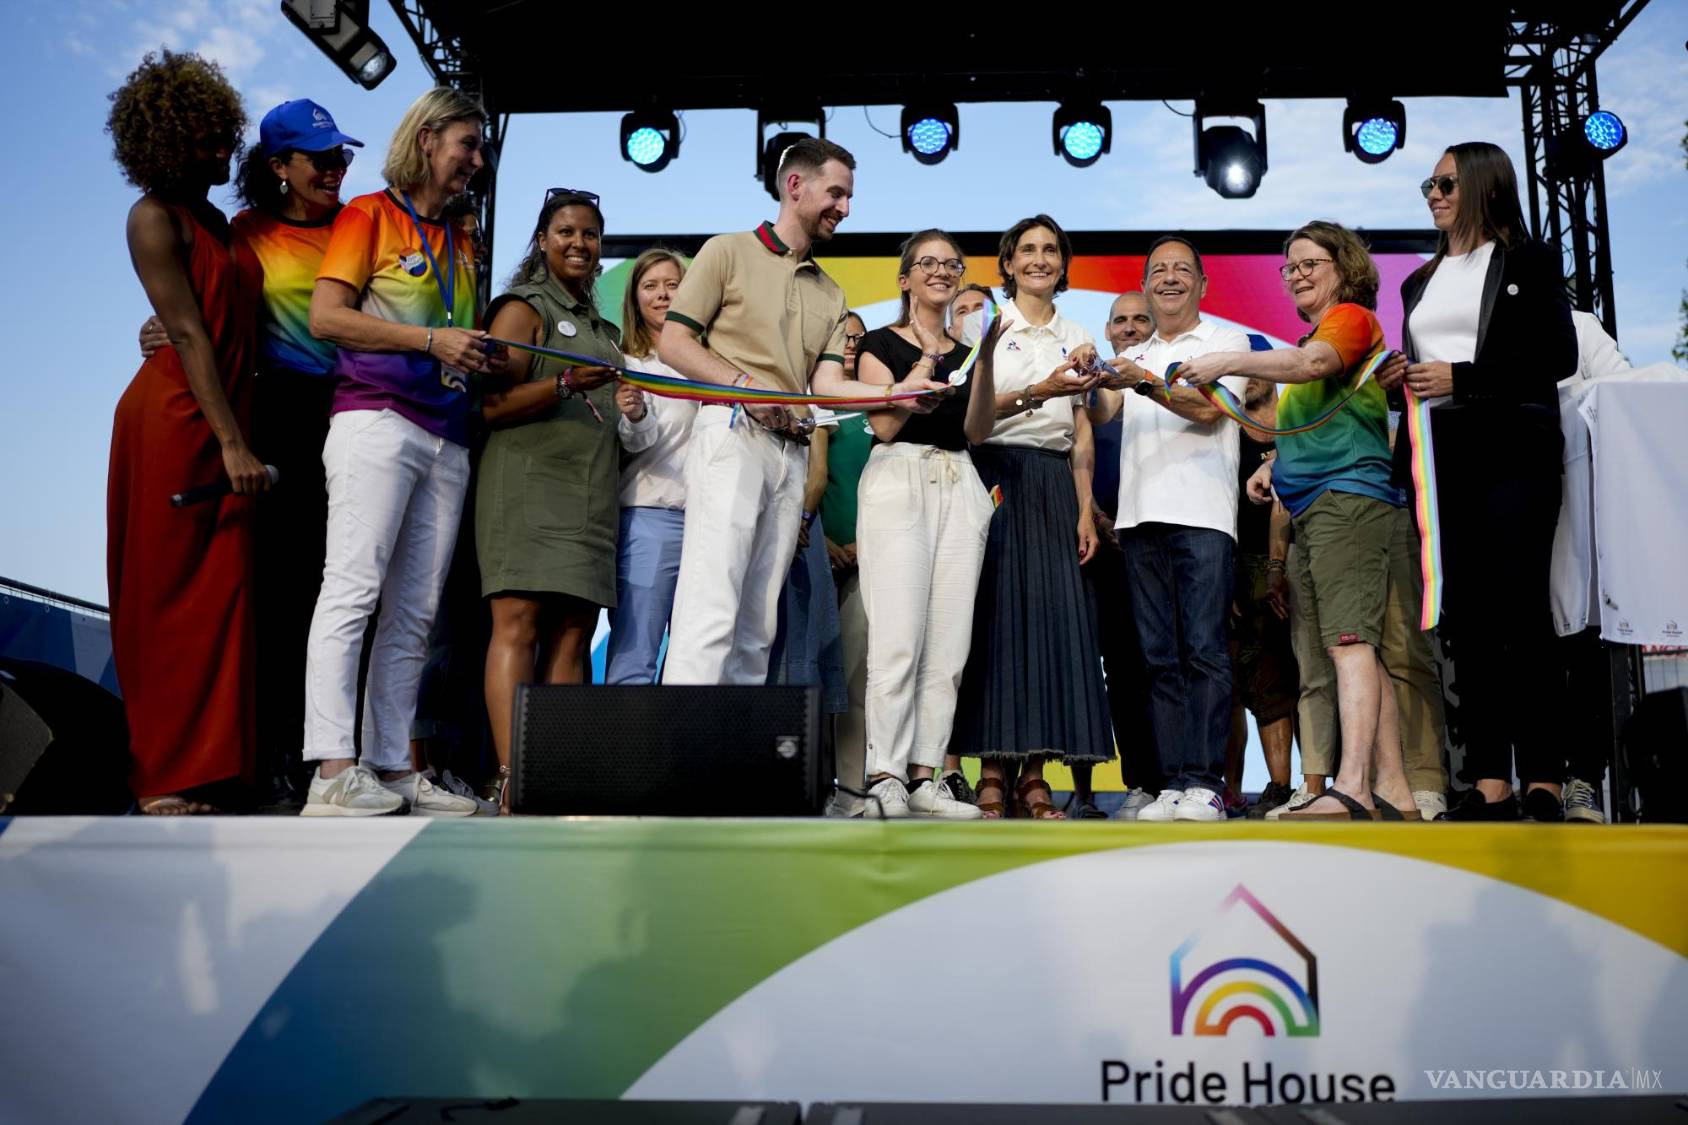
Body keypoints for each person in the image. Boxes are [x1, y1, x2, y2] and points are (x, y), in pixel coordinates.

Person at [135, 98, 364, 810]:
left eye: (341, 156)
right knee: (280, 596)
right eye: (319, 157)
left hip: (359, 417)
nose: (335, 168)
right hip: (276, 419)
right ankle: (274, 763)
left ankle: (343, 760)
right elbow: (201, 309)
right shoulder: (244, 231)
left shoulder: (365, 226)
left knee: (352, 593)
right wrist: (160, 328)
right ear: (279, 167)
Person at [657, 138, 948, 688]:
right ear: (795, 186)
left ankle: (731, 765)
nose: (845, 208)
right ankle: (683, 768)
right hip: (730, 434)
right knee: (710, 610)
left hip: (790, 456)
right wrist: (746, 387)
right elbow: (674, 343)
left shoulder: (833, 294)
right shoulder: (727, 250)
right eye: (836, 193)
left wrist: (897, 396)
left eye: (849, 197)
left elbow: (829, 386)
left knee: (756, 628)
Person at [300, 87, 497, 816]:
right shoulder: (368, 216)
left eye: (479, 148)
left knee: (414, 610)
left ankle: (388, 764)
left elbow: (452, 330)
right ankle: (330, 770)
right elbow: (326, 316)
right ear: (426, 139)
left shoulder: (462, 236)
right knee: (352, 589)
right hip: (374, 421)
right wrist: (428, 339)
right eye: (467, 145)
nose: (477, 159)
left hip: (445, 434)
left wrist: (474, 353)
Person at [1179, 220, 1417, 820]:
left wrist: (1228, 360)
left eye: (1312, 262)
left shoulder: (1350, 320)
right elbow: (1308, 420)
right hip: (1317, 507)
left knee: (1349, 646)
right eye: (1291, 267)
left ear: (1344, 266)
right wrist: (1275, 463)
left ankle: (1354, 789)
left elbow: (1313, 365)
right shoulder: (1322, 331)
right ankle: (1393, 792)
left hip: (1347, 501)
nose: (1298, 275)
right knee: (1355, 648)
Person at [1377, 143, 1578, 822]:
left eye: (1444, 183)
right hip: (1442, 461)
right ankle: (1489, 779)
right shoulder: (1418, 282)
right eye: (1427, 183)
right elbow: (1426, 364)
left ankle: (1545, 776)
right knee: (1466, 624)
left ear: (1485, 185)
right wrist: (1401, 376)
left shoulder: (1529, 260)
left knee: (1521, 613)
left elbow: (1557, 354)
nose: (1431, 193)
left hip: (1514, 452)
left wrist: (1464, 379)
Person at [106, 51, 266, 815]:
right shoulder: (152, 217)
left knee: (221, 597)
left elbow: (220, 315)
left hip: (222, 408)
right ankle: (161, 775)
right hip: (176, 419)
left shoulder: (214, 221)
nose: (219, 153)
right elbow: (188, 333)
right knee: (167, 598)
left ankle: (213, 769)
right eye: (203, 142)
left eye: (221, 138)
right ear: (165, 144)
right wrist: (232, 442)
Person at [953, 214, 1114, 819]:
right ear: (1009, 263)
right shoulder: (985, 326)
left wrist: (1083, 512)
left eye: (1051, 250)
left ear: (1062, 264)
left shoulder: (1077, 333)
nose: (1040, 259)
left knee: (1047, 625)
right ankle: (991, 772)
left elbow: (1081, 436)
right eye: (1028, 250)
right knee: (994, 622)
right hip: (992, 475)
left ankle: (1036, 777)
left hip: (1052, 486)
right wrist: (1039, 389)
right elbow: (969, 414)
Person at [476, 190, 631, 812]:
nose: (579, 243)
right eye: (566, 231)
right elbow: (489, 406)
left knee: (574, 632)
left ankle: (558, 774)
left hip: (592, 497)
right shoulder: (521, 308)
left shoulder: (605, 328)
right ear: (541, 240)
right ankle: (515, 777)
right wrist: (563, 382)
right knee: (519, 625)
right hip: (527, 490)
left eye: (590, 235)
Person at [1090, 237, 1252, 822]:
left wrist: (1144, 382)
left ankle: (1205, 782)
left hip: (1203, 516)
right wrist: (1092, 377)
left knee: (1203, 651)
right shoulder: (1140, 349)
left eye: (1183, 270)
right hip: (1137, 520)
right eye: (1159, 270)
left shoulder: (1225, 342)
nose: (1170, 278)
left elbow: (1211, 409)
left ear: (1203, 285)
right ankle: (1169, 784)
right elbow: (1103, 414)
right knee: (1155, 658)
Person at [853, 230, 1003, 818]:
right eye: (929, 263)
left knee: (949, 644)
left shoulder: (969, 347)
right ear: (905, 278)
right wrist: (923, 363)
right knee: (898, 637)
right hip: (898, 479)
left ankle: (925, 776)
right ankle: (882, 774)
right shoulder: (877, 343)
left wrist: (984, 359)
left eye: (952, 264)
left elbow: (978, 430)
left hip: (960, 480)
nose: (942, 271)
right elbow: (886, 426)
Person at [1083, 290, 1159, 819]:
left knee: (1171, 662)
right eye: (1121, 321)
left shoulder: (1170, 379)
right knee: (1122, 671)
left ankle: (1186, 778)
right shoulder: (1096, 396)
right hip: (1106, 550)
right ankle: (1140, 782)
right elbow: (1077, 456)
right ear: (1108, 332)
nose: (1130, 328)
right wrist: (1095, 514)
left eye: (1140, 319)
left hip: (1160, 541)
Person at [605, 248, 694, 685]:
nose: (662, 295)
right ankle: (623, 752)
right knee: (635, 655)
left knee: (693, 659)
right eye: (651, 286)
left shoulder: (708, 365)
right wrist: (636, 415)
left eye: (673, 284)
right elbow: (634, 441)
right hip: (650, 518)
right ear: (636, 299)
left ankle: (676, 754)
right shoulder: (630, 364)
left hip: (708, 524)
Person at [1224, 378, 1299, 818]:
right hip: (1242, 566)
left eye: (1258, 365)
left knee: (1310, 676)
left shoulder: (1301, 422)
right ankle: (1274, 786)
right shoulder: (1225, 435)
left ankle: (1317, 784)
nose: (1250, 379)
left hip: (1301, 558)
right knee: (1252, 682)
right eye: (1243, 370)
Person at [818, 312, 876, 816]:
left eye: (859, 338)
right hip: (814, 557)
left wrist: (861, 545)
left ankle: (853, 792)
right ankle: (807, 784)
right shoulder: (812, 400)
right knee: (807, 679)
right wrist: (824, 542)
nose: (851, 346)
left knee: (858, 681)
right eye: (843, 338)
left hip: (870, 560)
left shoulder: (879, 405)